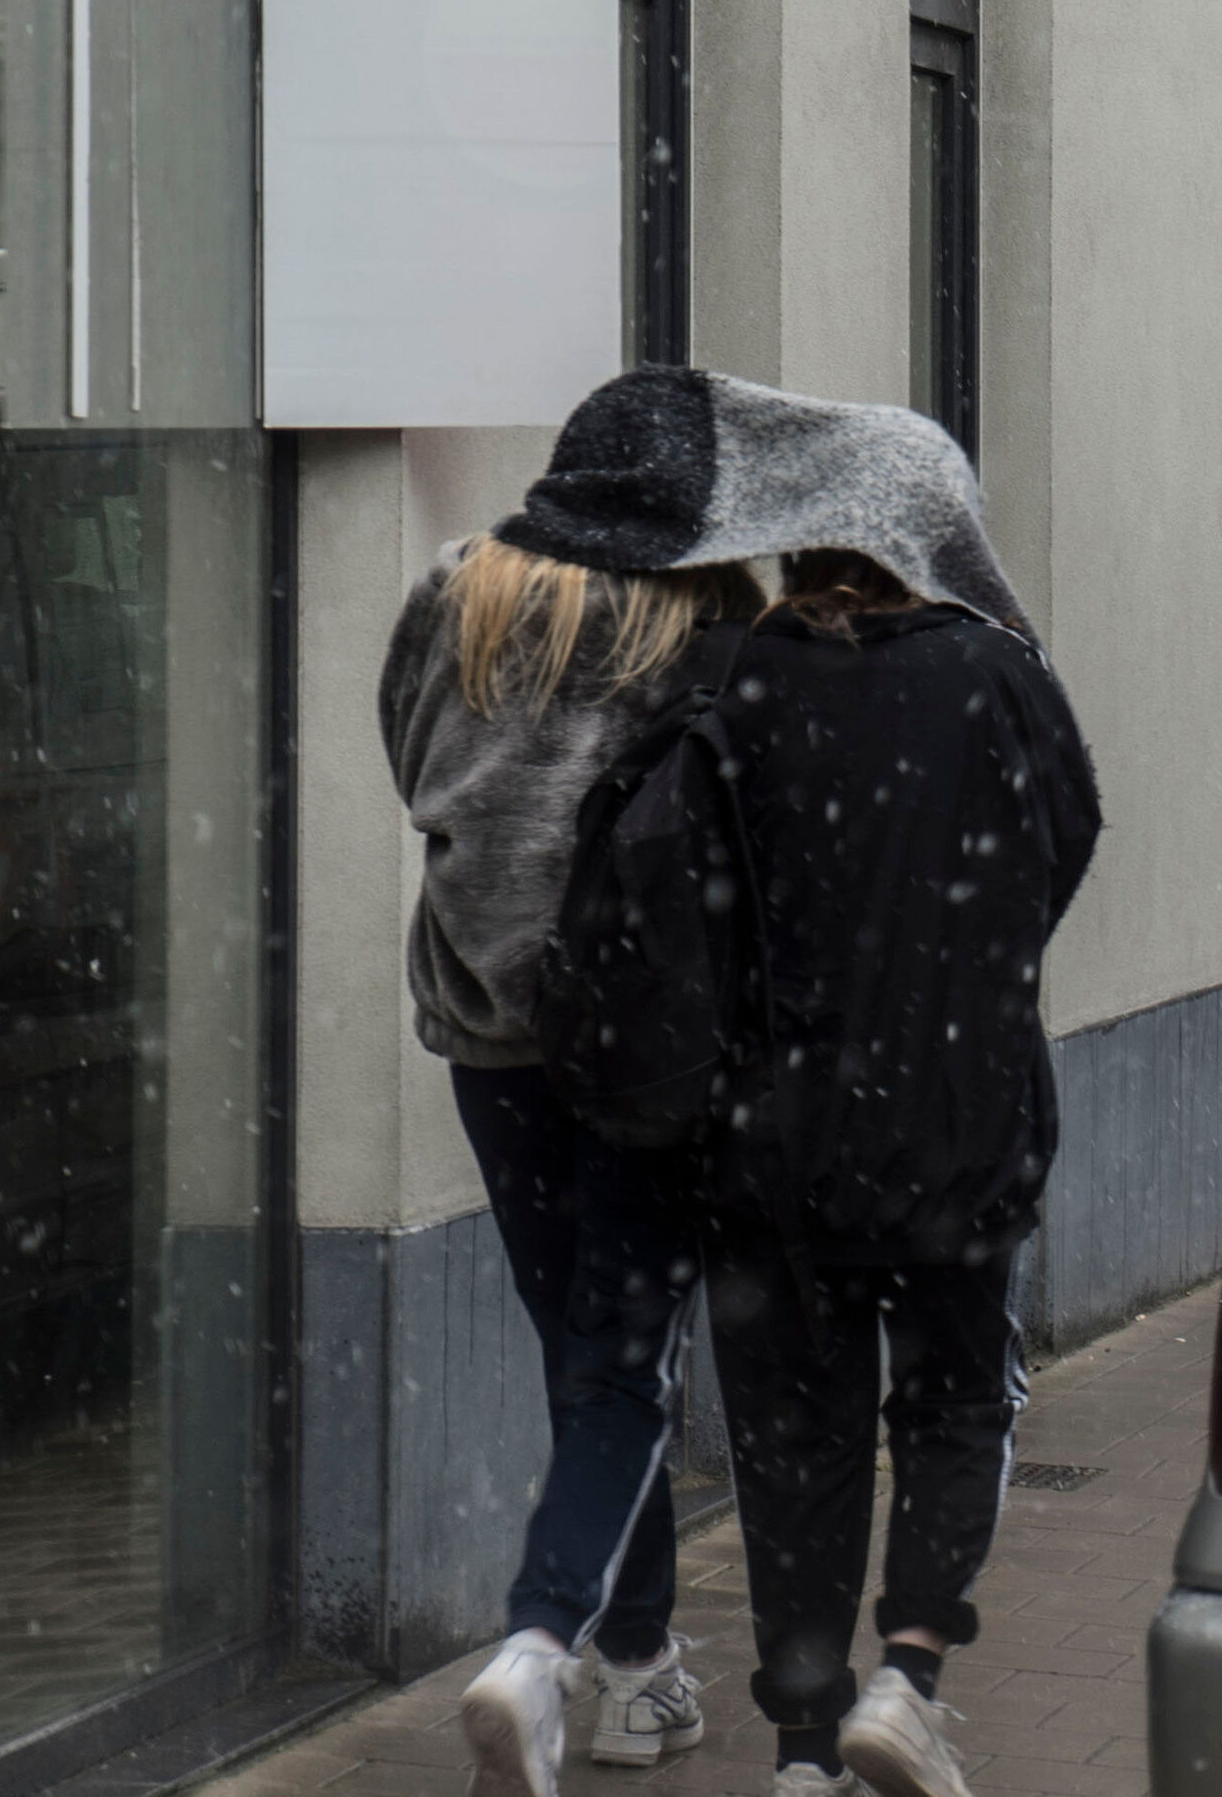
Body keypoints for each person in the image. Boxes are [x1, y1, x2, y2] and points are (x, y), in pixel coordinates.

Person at [381, 373, 765, 1797]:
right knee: (625, 1365)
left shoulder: (455, 588)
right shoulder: (701, 620)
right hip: (640, 1042)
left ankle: (640, 1667)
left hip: (491, 1033)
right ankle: (549, 1651)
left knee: (584, 1359)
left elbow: (411, 763)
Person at [700, 534, 1098, 1797]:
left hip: (776, 1137)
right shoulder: (997, 671)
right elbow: (1069, 836)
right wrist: (967, 966)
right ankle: (907, 1677)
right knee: (952, 1403)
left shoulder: (741, 676)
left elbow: (692, 886)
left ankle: (802, 1749)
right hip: (955, 1115)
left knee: (795, 1441)